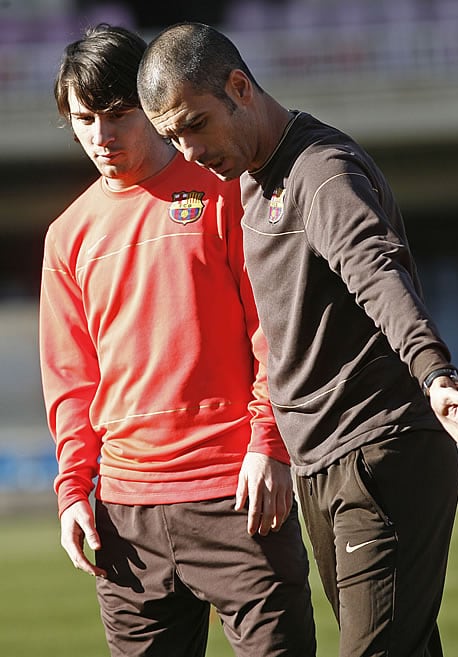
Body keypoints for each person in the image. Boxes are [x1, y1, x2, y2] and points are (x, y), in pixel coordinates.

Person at [137, 22, 458, 657]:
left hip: (380, 449)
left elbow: (377, 270)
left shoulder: (322, 171)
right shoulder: (248, 182)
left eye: (194, 124)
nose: (187, 151)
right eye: (170, 137)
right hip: (320, 463)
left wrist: (436, 375)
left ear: (239, 88)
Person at [39, 24, 316, 657]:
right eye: (84, 119)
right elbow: (71, 381)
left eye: (118, 115)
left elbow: (271, 329)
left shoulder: (225, 193)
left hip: (239, 496)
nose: (101, 137)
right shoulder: (67, 235)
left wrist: (269, 443)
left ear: (152, 103)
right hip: (123, 514)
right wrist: (73, 492)